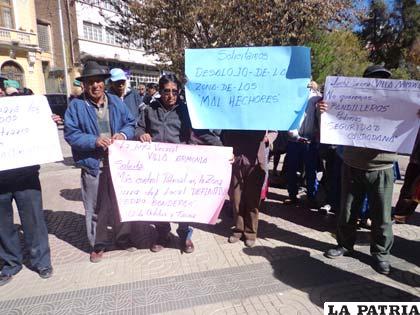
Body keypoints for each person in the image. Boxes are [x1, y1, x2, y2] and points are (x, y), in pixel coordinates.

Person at [323, 65, 399, 275]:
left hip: (382, 166)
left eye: (383, 79)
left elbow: (409, 127)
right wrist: (325, 110)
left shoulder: (398, 103)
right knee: (347, 210)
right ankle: (344, 245)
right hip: (352, 163)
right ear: (364, 80)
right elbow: (332, 121)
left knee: (382, 216)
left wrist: (416, 116)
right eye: (374, 78)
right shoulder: (352, 99)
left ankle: (381, 255)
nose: (378, 82)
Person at [136, 74, 222, 254]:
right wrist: (141, 134)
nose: (170, 95)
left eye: (174, 91)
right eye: (166, 91)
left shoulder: (186, 111)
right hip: (156, 166)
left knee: (182, 203)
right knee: (159, 202)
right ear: (160, 92)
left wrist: (222, 149)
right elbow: (139, 127)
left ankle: (185, 235)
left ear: (179, 92)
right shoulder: (149, 110)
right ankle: (162, 234)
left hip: (180, 166)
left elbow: (203, 132)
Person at [64, 61, 136, 263]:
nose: (95, 86)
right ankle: (98, 243)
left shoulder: (115, 102)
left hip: (118, 164)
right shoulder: (77, 106)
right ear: (84, 85)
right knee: (95, 208)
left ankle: (123, 237)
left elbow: (130, 123)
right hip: (92, 164)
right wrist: (94, 140)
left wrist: (122, 134)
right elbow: (71, 134)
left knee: (121, 203)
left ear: (104, 83)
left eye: (98, 81)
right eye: (90, 82)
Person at [0, 91, 54, 286]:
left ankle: (42, 262)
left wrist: (48, 123)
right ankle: (10, 263)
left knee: (34, 220)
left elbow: (40, 130)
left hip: (26, 176)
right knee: (2, 225)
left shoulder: (24, 109)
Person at [223, 130, 277, 247]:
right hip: (238, 159)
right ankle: (238, 230)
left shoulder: (265, 112)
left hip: (256, 162)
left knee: (252, 201)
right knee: (237, 200)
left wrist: (268, 138)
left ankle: (250, 233)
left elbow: (274, 130)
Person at [285, 81, 322, 206]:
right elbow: (287, 118)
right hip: (294, 141)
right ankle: (292, 195)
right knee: (292, 169)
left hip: (310, 141)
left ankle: (312, 196)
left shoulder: (316, 96)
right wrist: (295, 136)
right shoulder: (291, 95)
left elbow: (325, 106)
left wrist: (318, 89)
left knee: (311, 170)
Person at [393, 123, 420, 223]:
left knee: (410, 188)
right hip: (416, 159)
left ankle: (401, 213)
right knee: (409, 188)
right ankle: (401, 214)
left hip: (416, 159)